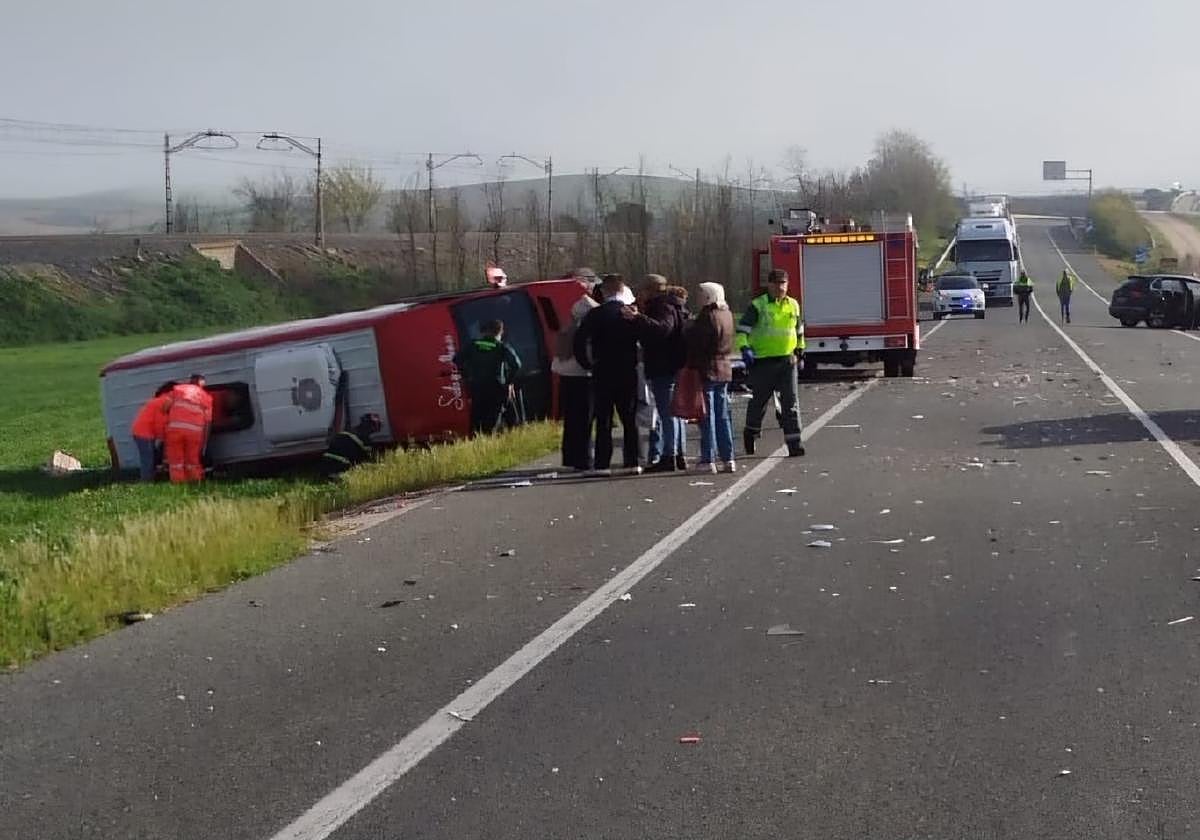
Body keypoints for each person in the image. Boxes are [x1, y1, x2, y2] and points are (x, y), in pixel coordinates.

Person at [574, 274, 642, 475]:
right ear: (622, 290)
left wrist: (587, 364)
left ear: (604, 291)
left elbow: (579, 341)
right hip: (627, 370)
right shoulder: (630, 313)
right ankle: (633, 461)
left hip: (602, 370)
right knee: (629, 418)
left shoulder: (595, 314)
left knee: (603, 419)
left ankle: (602, 463)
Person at [736, 268, 805, 457]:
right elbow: (742, 330)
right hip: (763, 362)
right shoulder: (758, 305)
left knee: (790, 403)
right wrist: (744, 348)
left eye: (783, 283)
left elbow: (798, 330)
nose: (780, 287)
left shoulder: (793, 305)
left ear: (787, 284)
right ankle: (751, 432)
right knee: (759, 402)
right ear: (769, 285)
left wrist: (800, 350)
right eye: (776, 284)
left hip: (787, 361)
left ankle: (794, 443)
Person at [632, 275, 691, 473]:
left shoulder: (662, 306)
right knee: (675, 413)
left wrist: (638, 318)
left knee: (668, 413)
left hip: (663, 365)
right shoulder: (675, 305)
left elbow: (662, 329)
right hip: (673, 364)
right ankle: (679, 453)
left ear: (651, 290)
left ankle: (669, 455)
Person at [687, 282, 736, 474]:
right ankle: (728, 457)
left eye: (701, 294)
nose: (698, 298)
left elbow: (698, 343)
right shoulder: (727, 313)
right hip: (724, 368)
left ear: (708, 296)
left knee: (707, 416)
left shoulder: (707, 316)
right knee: (722, 415)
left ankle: (708, 458)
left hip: (708, 368)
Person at [552, 284, 598, 471]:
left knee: (571, 420)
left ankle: (570, 457)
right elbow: (589, 356)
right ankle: (584, 458)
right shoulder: (587, 332)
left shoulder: (566, 330)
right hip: (584, 378)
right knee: (585, 420)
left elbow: (556, 360)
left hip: (566, 378)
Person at [453, 320, 522, 435]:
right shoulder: (501, 347)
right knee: (497, 419)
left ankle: (476, 438)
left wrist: (466, 376)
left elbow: (457, 359)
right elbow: (516, 365)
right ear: (500, 332)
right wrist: (509, 383)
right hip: (497, 388)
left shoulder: (472, 345)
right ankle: (513, 434)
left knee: (477, 419)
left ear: (483, 331)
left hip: (477, 388)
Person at [164, 374, 213, 483]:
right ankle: (195, 482)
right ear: (201, 383)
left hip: (175, 430)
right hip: (195, 432)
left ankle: (179, 484)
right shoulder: (206, 397)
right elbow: (208, 421)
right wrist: (205, 442)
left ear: (190, 381)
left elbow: (165, 407)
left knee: (176, 462)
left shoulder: (177, 390)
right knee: (192, 461)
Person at [130, 381, 176, 481]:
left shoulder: (159, 400)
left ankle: (149, 479)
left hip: (141, 431)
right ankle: (146, 481)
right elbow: (160, 423)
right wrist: (165, 438)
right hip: (144, 433)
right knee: (148, 460)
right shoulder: (165, 401)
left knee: (150, 457)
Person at [320, 413, 382, 478]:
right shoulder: (364, 440)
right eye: (376, 425)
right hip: (340, 466)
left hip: (325, 463)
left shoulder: (348, 431)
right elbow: (367, 459)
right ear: (371, 426)